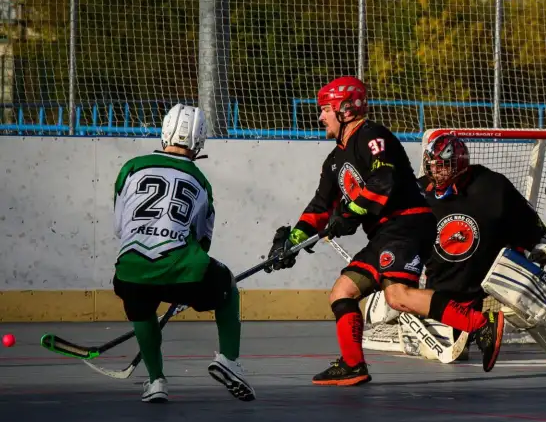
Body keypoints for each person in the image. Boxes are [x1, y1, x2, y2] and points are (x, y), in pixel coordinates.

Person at [265, 77, 505, 385]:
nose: (320, 116)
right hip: (384, 233)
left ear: (345, 109)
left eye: (325, 109)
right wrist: (293, 241)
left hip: (406, 223)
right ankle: (354, 366)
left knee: (398, 295)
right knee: (343, 291)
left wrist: (349, 212)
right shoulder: (334, 161)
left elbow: (384, 181)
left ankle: (480, 325)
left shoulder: (372, 136)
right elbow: (320, 206)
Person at [398, 132, 546, 363]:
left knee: (525, 283)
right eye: (433, 166)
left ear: (461, 164)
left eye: (444, 166)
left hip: (479, 288)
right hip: (438, 297)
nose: (437, 171)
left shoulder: (491, 185)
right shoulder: (418, 192)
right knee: (439, 352)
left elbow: (526, 223)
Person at [112, 104, 254, 403]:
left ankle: (156, 381)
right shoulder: (200, 180)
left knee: (141, 302)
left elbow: (120, 227)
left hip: (130, 269)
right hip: (181, 268)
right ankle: (229, 359)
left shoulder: (131, 167)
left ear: (164, 132)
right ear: (199, 141)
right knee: (226, 281)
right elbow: (202, 242)